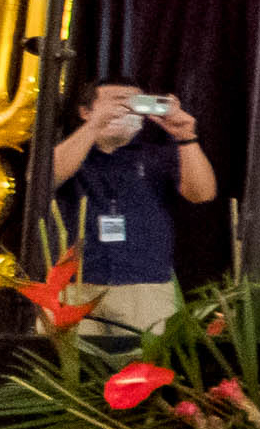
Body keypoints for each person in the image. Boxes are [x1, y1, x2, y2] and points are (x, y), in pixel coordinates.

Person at [49, 77, 215, 332]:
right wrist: (95, 126)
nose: (127, 109)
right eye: (117, 102)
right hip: (75, 286)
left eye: (135, 103)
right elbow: (46, 177)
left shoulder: (158, 155)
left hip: (144, 286)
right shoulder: (72, 152)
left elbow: (202, 194)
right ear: (85, 111)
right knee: (69, 367)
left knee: (143, 366)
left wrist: (186, 136)